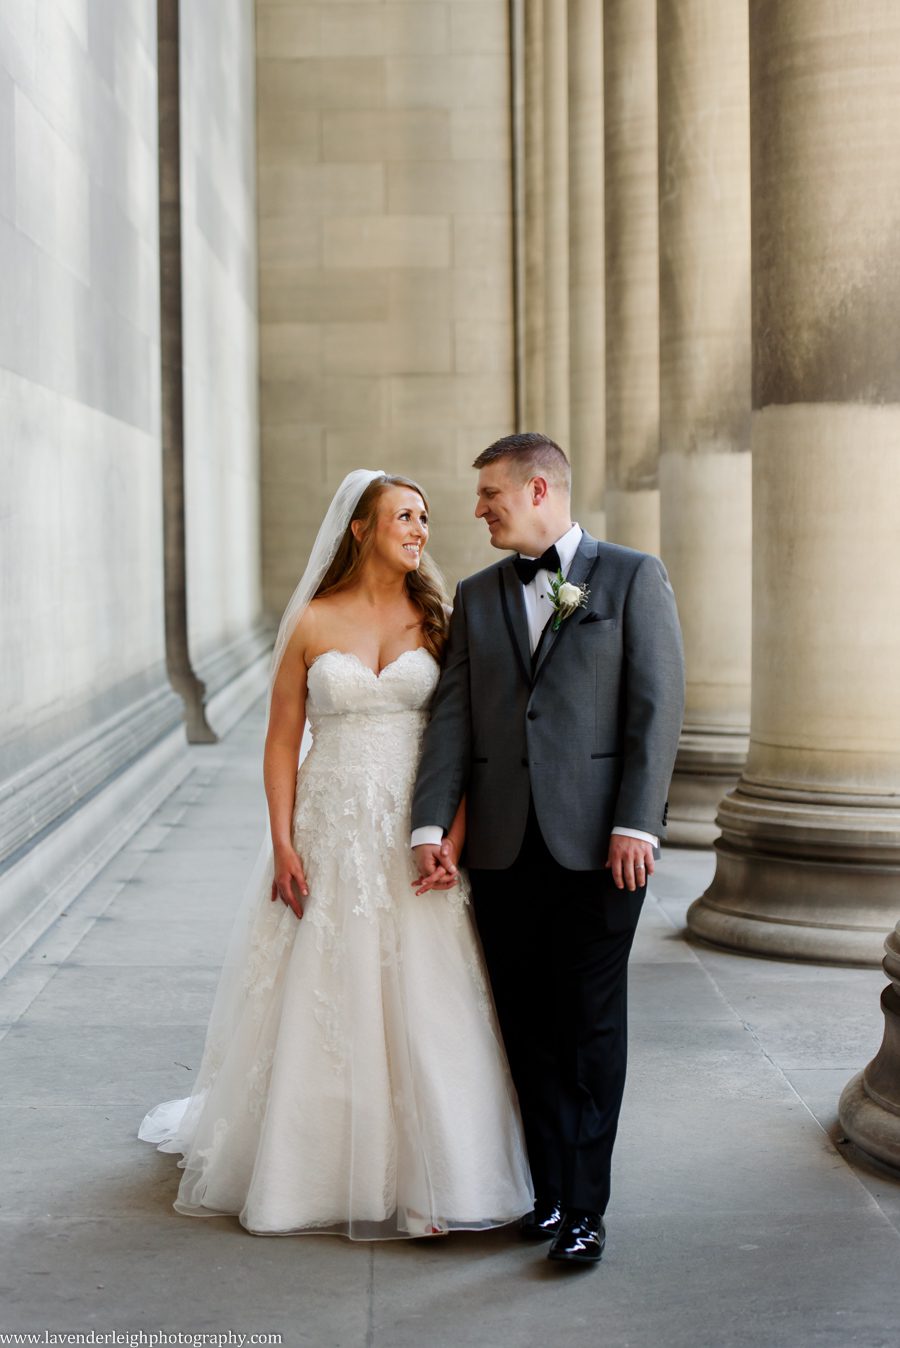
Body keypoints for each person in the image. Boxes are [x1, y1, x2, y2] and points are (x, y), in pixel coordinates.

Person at [139, 469, 533, 1239]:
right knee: (328, 987)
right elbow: (283, 740)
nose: (420, 530)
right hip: (328, 824)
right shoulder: (314, 621)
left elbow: (464, 742)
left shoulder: (440, 621)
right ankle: (309, 1169)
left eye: (424, 518)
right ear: (360, 528)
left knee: (428, 995)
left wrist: (450, 838)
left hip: (411, 831)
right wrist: (283, 842)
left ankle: (435, 1176)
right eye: (403, 517)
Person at [411, 433, 685, 1266]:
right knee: (525, 1027)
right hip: (500, 851)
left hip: (604, 851)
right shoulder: (476, 593)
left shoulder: (633, 576)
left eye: (490, 493)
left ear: (538, 490)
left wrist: (638, 822)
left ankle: (587, 1209)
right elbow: (452, 720)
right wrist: (430, 824)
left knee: (590, 1025)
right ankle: (550, 1192)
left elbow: (657, 707)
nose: (478, 509)